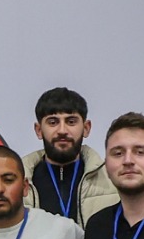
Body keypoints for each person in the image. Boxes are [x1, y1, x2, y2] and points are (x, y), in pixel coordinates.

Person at [25, 87, 118, 226]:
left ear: (86, 128)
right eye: (53, 122)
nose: (62, 130)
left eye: (71, 122)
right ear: (39, 130)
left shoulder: (112, 178)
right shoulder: (20, 180)